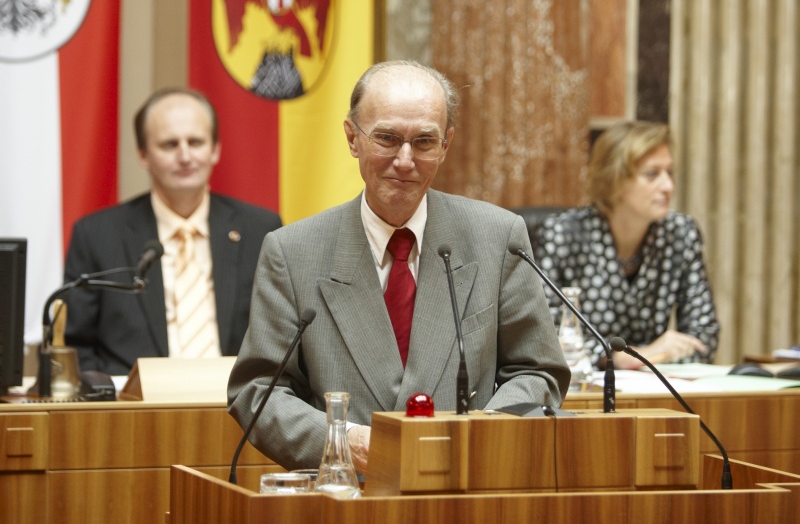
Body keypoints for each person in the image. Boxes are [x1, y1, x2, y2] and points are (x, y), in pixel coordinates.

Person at [227, 60, 570, 474]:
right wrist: (343, 442)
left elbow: (538, 371)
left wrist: (484, 435)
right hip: (349, 497)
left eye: (424, 142)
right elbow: (258, 393)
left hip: (467, 491)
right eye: (387, 138)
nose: (405, 160)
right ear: (352, 138)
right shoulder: (292, 251)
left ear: (446, 145)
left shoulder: (497, 237)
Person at [64, 88, 282, 375]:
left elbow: (282, 334)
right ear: (143, 154)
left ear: (215, 149)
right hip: (135, 410)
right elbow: (77, 345)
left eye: (195, 142)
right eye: (169, 145)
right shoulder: (97, 235)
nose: (185, 156)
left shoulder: (261, 230)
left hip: (237, 407)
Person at [534, 121, 720, 370]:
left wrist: (651, 359)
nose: (668, 186)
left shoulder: (680, 233)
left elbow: (704, 335)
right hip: (583, 392)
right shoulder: (562, 235)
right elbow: (542, 338)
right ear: (614, 181)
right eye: (652, 174)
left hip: (657, 385)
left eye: (670, 172)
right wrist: (624, 357)